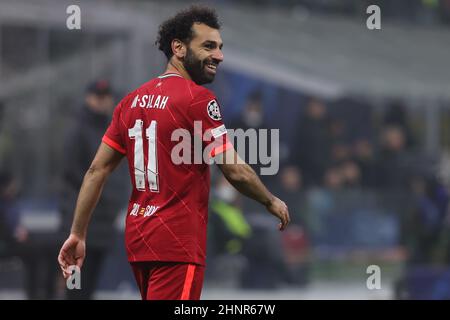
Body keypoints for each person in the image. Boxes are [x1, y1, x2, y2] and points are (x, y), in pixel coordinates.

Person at [58, 5, 290, 300]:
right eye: (208, 46)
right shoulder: (199, 100)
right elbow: (234, 169)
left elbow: (96, 171)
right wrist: (270, 200)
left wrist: (77, 233)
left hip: (140, 240)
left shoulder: (130, 102)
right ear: (178, 48)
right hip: (177, 243)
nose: (218, 55)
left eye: (219, 47)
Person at [59, 79, 128, 299]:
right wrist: (99, 192)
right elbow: (73, 173)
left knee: (88, 287)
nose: (102, 102)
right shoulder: (77, 130)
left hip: (102, 224)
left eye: (106, 97)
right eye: (98, 97)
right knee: (75, 285)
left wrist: (113, 201)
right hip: (78, 222)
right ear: (88, 98)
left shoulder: (112, 129)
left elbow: (118, 174)